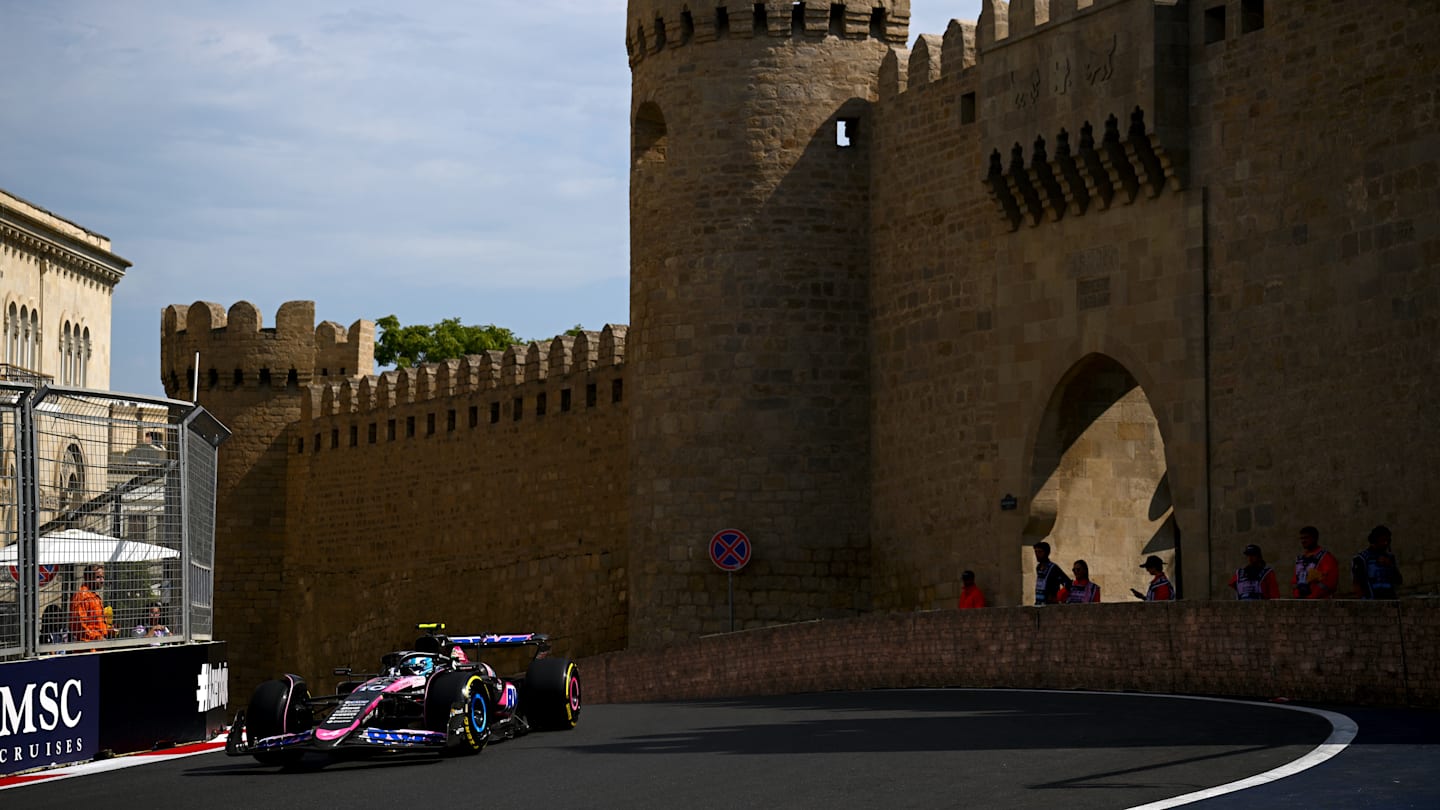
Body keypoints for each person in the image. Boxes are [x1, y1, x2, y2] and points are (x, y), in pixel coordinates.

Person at [1352, 525, 1402, 599]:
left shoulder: (1389, 557)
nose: (1385, 543)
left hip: (1389, 599)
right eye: (1382, 541)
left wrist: (1390, 565)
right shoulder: (1362, 558)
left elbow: (1398, 580)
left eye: (1387, 541)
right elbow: (1358, 583)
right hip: (1371, 599)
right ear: (1375, 541)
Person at [1291, 525, 1339, 599]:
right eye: (1301, 538)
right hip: (1301, 602)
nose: (1303, 541)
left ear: (1315, 538)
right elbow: (1295, 581)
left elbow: (1330, 583)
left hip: (1319, 602)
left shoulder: (1326, 558)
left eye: (1306, 538)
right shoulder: (1300, 559)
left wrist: (1313, 596)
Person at [70, 564, 111, 642]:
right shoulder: (82, 596)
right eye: (98, 577)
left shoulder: (94, 597)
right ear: (88, 578)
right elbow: (79, 625)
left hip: (97, 646)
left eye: (103, 577)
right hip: (87, 648)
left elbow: (97, 623)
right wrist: (97, 638)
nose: (102, 581)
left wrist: (109, 630)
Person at [1032, 541, 1071, 605]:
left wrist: (1058, 597)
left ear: (1046, 553)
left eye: (1040, 552)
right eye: (1036, 552)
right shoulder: (1038, 567)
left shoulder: (1053, 568)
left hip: (1050, 605)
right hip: (1039, 603)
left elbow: (1068, 583)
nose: (1037, 554)